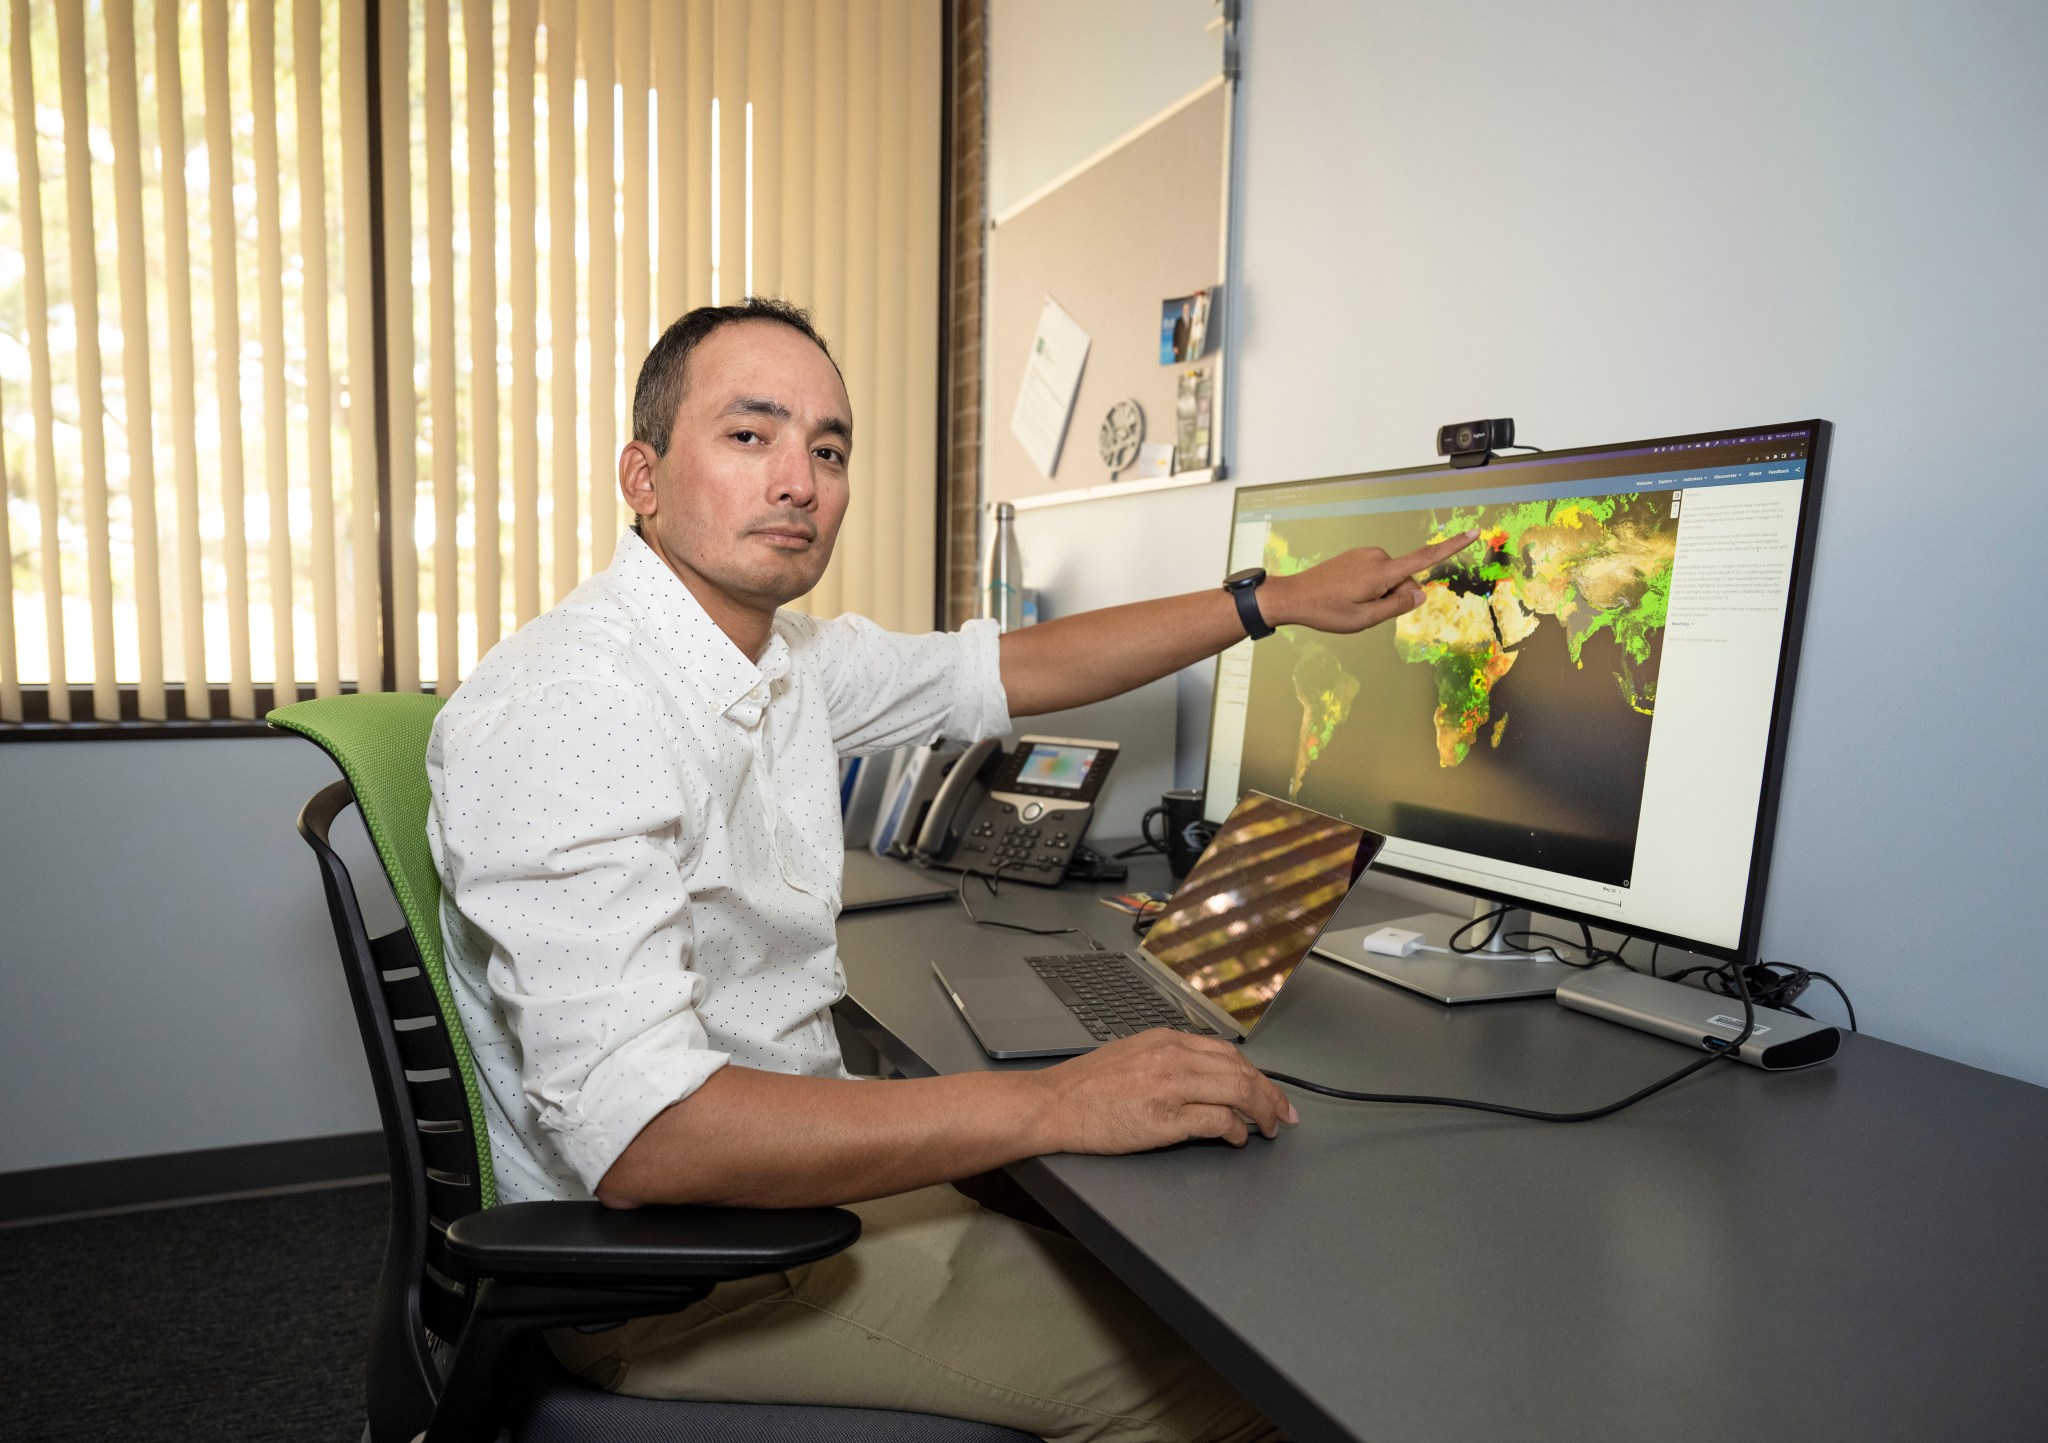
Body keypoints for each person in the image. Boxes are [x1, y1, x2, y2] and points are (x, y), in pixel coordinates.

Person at [426, 297, 1476, 1442]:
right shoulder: (577, 703)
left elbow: (1010, 667)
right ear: (643, 474)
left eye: (827, 450)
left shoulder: (777, 660)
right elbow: (649, 1138)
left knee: (1203, 1254)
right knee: (1258, 1391)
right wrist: (1054, 1098)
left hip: (784, 1195)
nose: (798, 480)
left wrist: (1265, 603)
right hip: (686, 1277)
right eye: (749, 434)